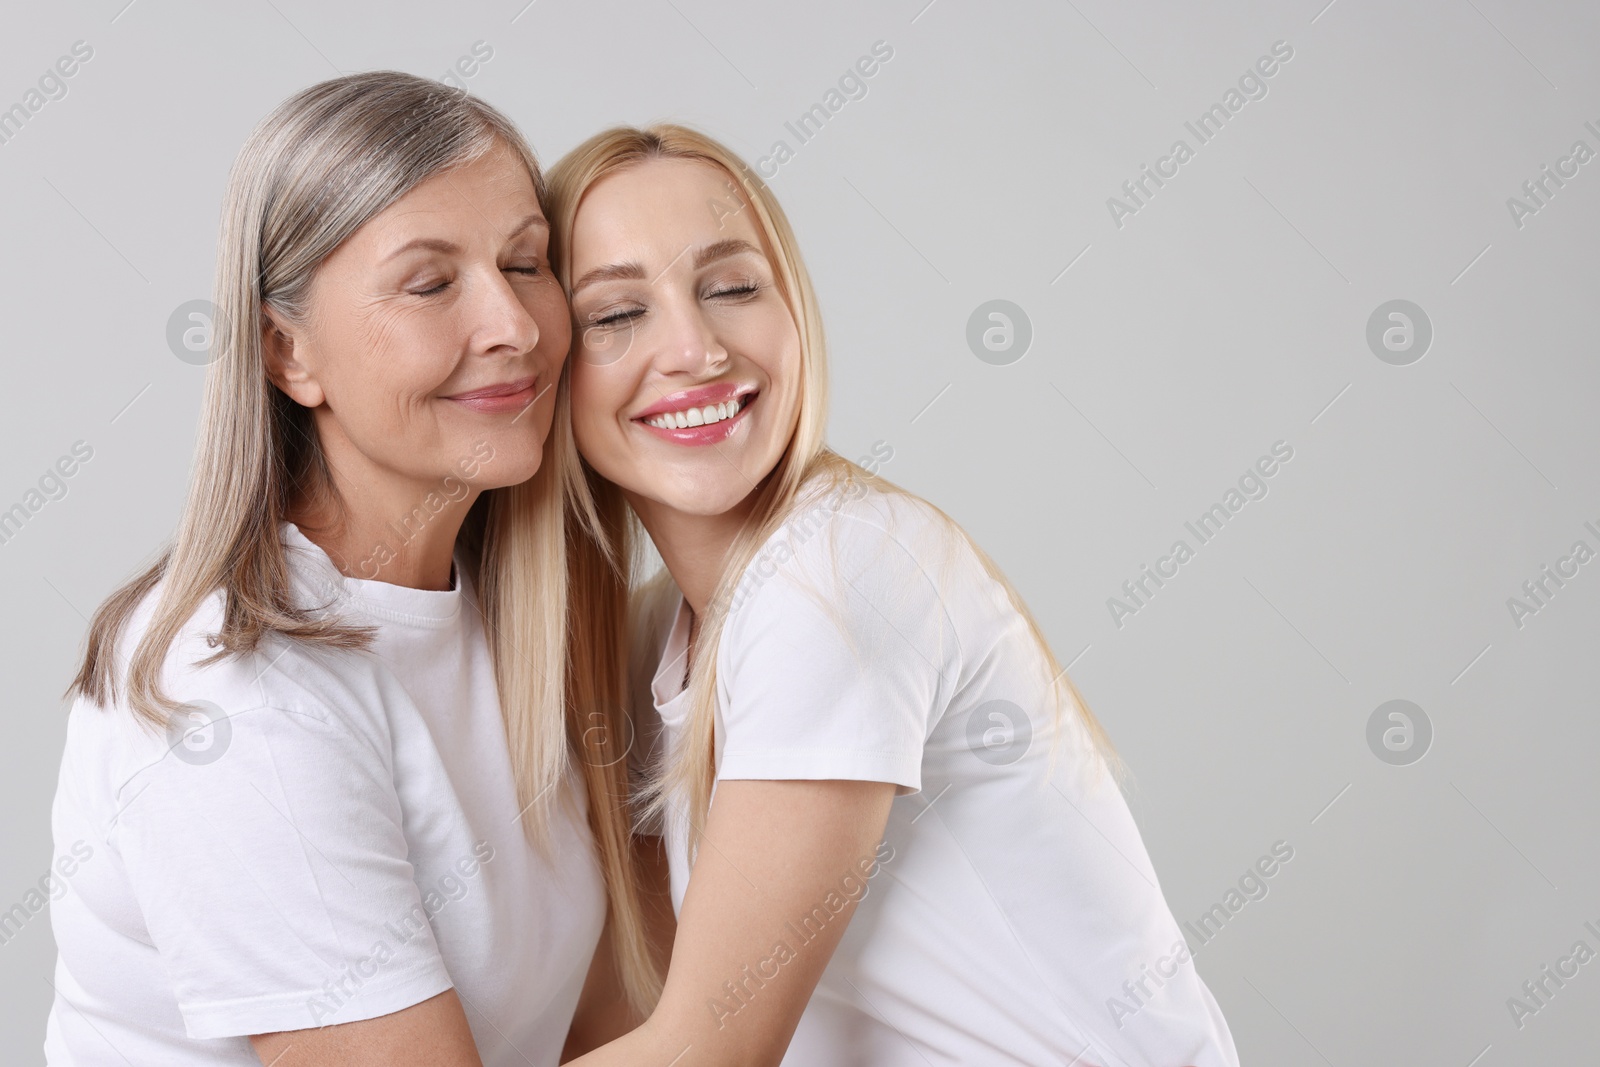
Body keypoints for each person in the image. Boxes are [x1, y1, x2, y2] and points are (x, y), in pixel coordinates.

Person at [545, 123, 1241, 1067]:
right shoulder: (654, 636)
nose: (694, 349)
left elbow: (701, 1053)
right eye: (615, 315)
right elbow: (628, 1017)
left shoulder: (839, 567)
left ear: (796, 315)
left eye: (732, 288)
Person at [43, 72, 659, 1066]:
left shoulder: (517, 619)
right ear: (287, 353)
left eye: (526, 261)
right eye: (430, 282)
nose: (514, 325)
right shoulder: (239, 697)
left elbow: (606, 1020)